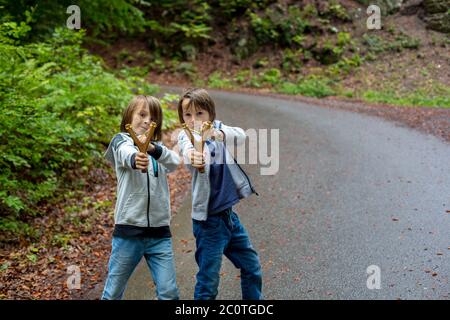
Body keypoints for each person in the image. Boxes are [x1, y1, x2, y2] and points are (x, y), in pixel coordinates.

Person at [177, 88, 263, 300]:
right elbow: (189, 153)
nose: (193, 120)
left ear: (210, 114)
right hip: (209, 224)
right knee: (209, 282)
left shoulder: (217, 128)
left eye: (199, 114)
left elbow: (241, 135)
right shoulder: (185, 136)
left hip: (229, 217)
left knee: (252, 267)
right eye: (188, 115)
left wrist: (218, 133)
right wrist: (195, 156)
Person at [102, 95, 180, 300]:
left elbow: (174, 162)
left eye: (152, 117)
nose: (147, 121)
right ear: (129, 117)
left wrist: (154, 149)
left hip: (159, 233)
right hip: (128, 232)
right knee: (112, 293)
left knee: (169, 293)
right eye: (142, 114)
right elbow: (125, 154)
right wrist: (136, 157)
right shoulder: (121, 141)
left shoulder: (159, 151)